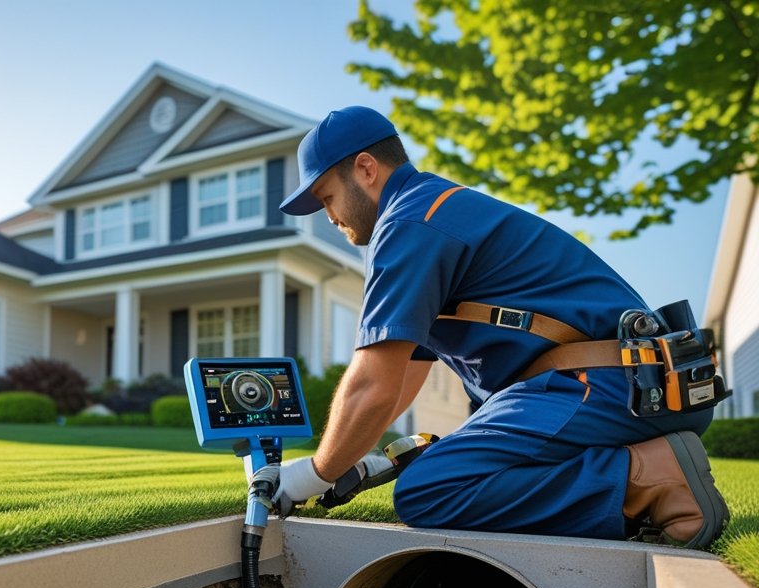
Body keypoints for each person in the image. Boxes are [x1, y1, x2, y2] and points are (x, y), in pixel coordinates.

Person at [271, 106, 728, 548]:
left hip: (606, 385)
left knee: (429, 490)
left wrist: (315, 472)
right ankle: (642, 476)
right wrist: (358, 460)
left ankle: (648, 482)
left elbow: (373, 384)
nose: (327, 215)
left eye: (326, 196)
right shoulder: (437, 209)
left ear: (366, 169)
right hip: (644, 384)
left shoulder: (409, 223)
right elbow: (402, 378)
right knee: (435, 467)